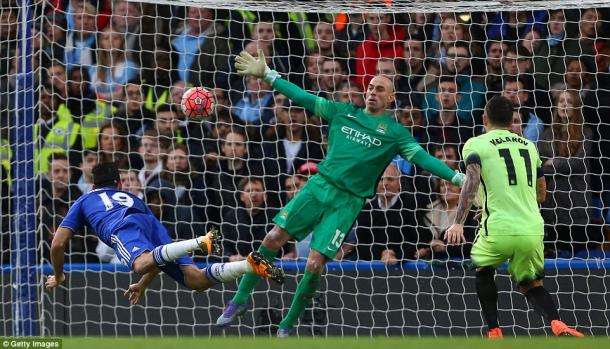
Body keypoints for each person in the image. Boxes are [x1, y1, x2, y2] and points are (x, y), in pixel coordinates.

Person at [217, 49, 465, 336]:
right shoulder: (342, 111)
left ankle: (287, 324)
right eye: (370, 87)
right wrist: (268, 74)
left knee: (314, 263)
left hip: (347, 202)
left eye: (380, 89)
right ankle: (239, 299)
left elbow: (424, 159)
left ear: (391, 97)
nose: (372, 92)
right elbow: (302, 97)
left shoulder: (395, 133)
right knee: (273, 238)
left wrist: (455, 175)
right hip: (318, 186)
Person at [45, 162, 284, 304]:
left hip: (122, 226)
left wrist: (59, 275)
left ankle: (202, 241)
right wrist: (142, 285)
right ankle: (249, 264)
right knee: (196, 280)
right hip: (149, 221)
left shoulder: (85, 199)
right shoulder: (131, 197)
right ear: (119, 184)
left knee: (139, 264)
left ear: (93, 186)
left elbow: (57, 245)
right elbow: (159, 255)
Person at [445, 96, 584, 338]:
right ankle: (557, 323)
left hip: (498, 227)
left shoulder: (475, 143)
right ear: (512, 121)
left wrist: (459, 221)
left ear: (484, 118)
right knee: (531, 285)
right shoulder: (529, 146)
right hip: (532, 229)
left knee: (483, 269)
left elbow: (472, 180)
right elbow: (542, 192)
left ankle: (494, 330)